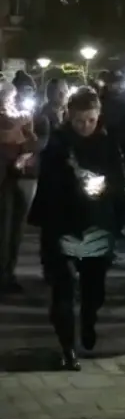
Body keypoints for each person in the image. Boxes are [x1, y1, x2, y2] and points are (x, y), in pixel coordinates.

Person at [26, 89, 125, 369]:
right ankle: (67, 347)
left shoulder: (108, 145)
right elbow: (46, 187)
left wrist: (116, 210)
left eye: (91, 120)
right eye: (79, 121)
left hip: (98, 225)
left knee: (93, 288)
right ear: (69, 117)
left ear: (98, 117)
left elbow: (119, 184)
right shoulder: (57, 146)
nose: (85, 126)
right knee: (62, 289)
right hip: (62, 227)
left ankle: (89, 319)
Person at [0, 84, 37, 294]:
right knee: (4, 230)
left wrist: (27, 131)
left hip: (16, 180)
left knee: (15, 229)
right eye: (8, 99)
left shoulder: (18, 118)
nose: (11, 103)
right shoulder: (8, 119)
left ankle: (8, 272)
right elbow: (7, 135)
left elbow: (32, 141)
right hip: (4, 181)